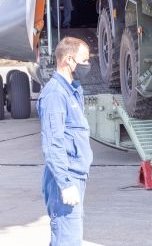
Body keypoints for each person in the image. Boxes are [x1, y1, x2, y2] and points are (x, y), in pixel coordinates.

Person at [37, 37, 93, 246]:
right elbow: (53, 143)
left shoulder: (72, 91)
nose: (87, 65)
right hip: (66, 177)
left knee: (69, 236)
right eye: (84, 60)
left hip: (75, 174)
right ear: (69, 60)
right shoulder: (55, 95)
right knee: (66, 238)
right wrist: (65, 183)